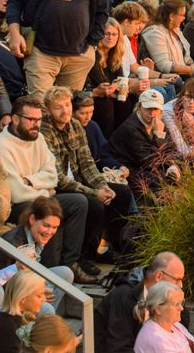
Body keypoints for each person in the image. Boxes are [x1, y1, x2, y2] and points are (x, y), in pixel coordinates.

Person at [0, 96, 97, 283]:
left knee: (79, 202)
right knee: (48, 211)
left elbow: (52, 175)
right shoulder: (1, 145)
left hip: (38, 197)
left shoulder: (38, 138)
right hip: (16, 206)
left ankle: (70, 263)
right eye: (31, 119)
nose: (36, 124)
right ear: (15, 119)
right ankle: (49, 273)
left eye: (39, 119)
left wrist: (30, 181)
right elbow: (17, 192)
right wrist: (45, 191)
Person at [41, 86, 136, 262]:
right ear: (47, 110)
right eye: (58, 107)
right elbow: (58, 178)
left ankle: (106, 246)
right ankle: (84, 256)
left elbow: (86, 163)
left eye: (67, 105)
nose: (65, 111)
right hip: (58, 187)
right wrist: (94, 192)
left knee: (121, 193)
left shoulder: (75, 125)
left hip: (78, 180)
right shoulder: (44, 132)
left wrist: (102, 186)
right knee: (94, 204)